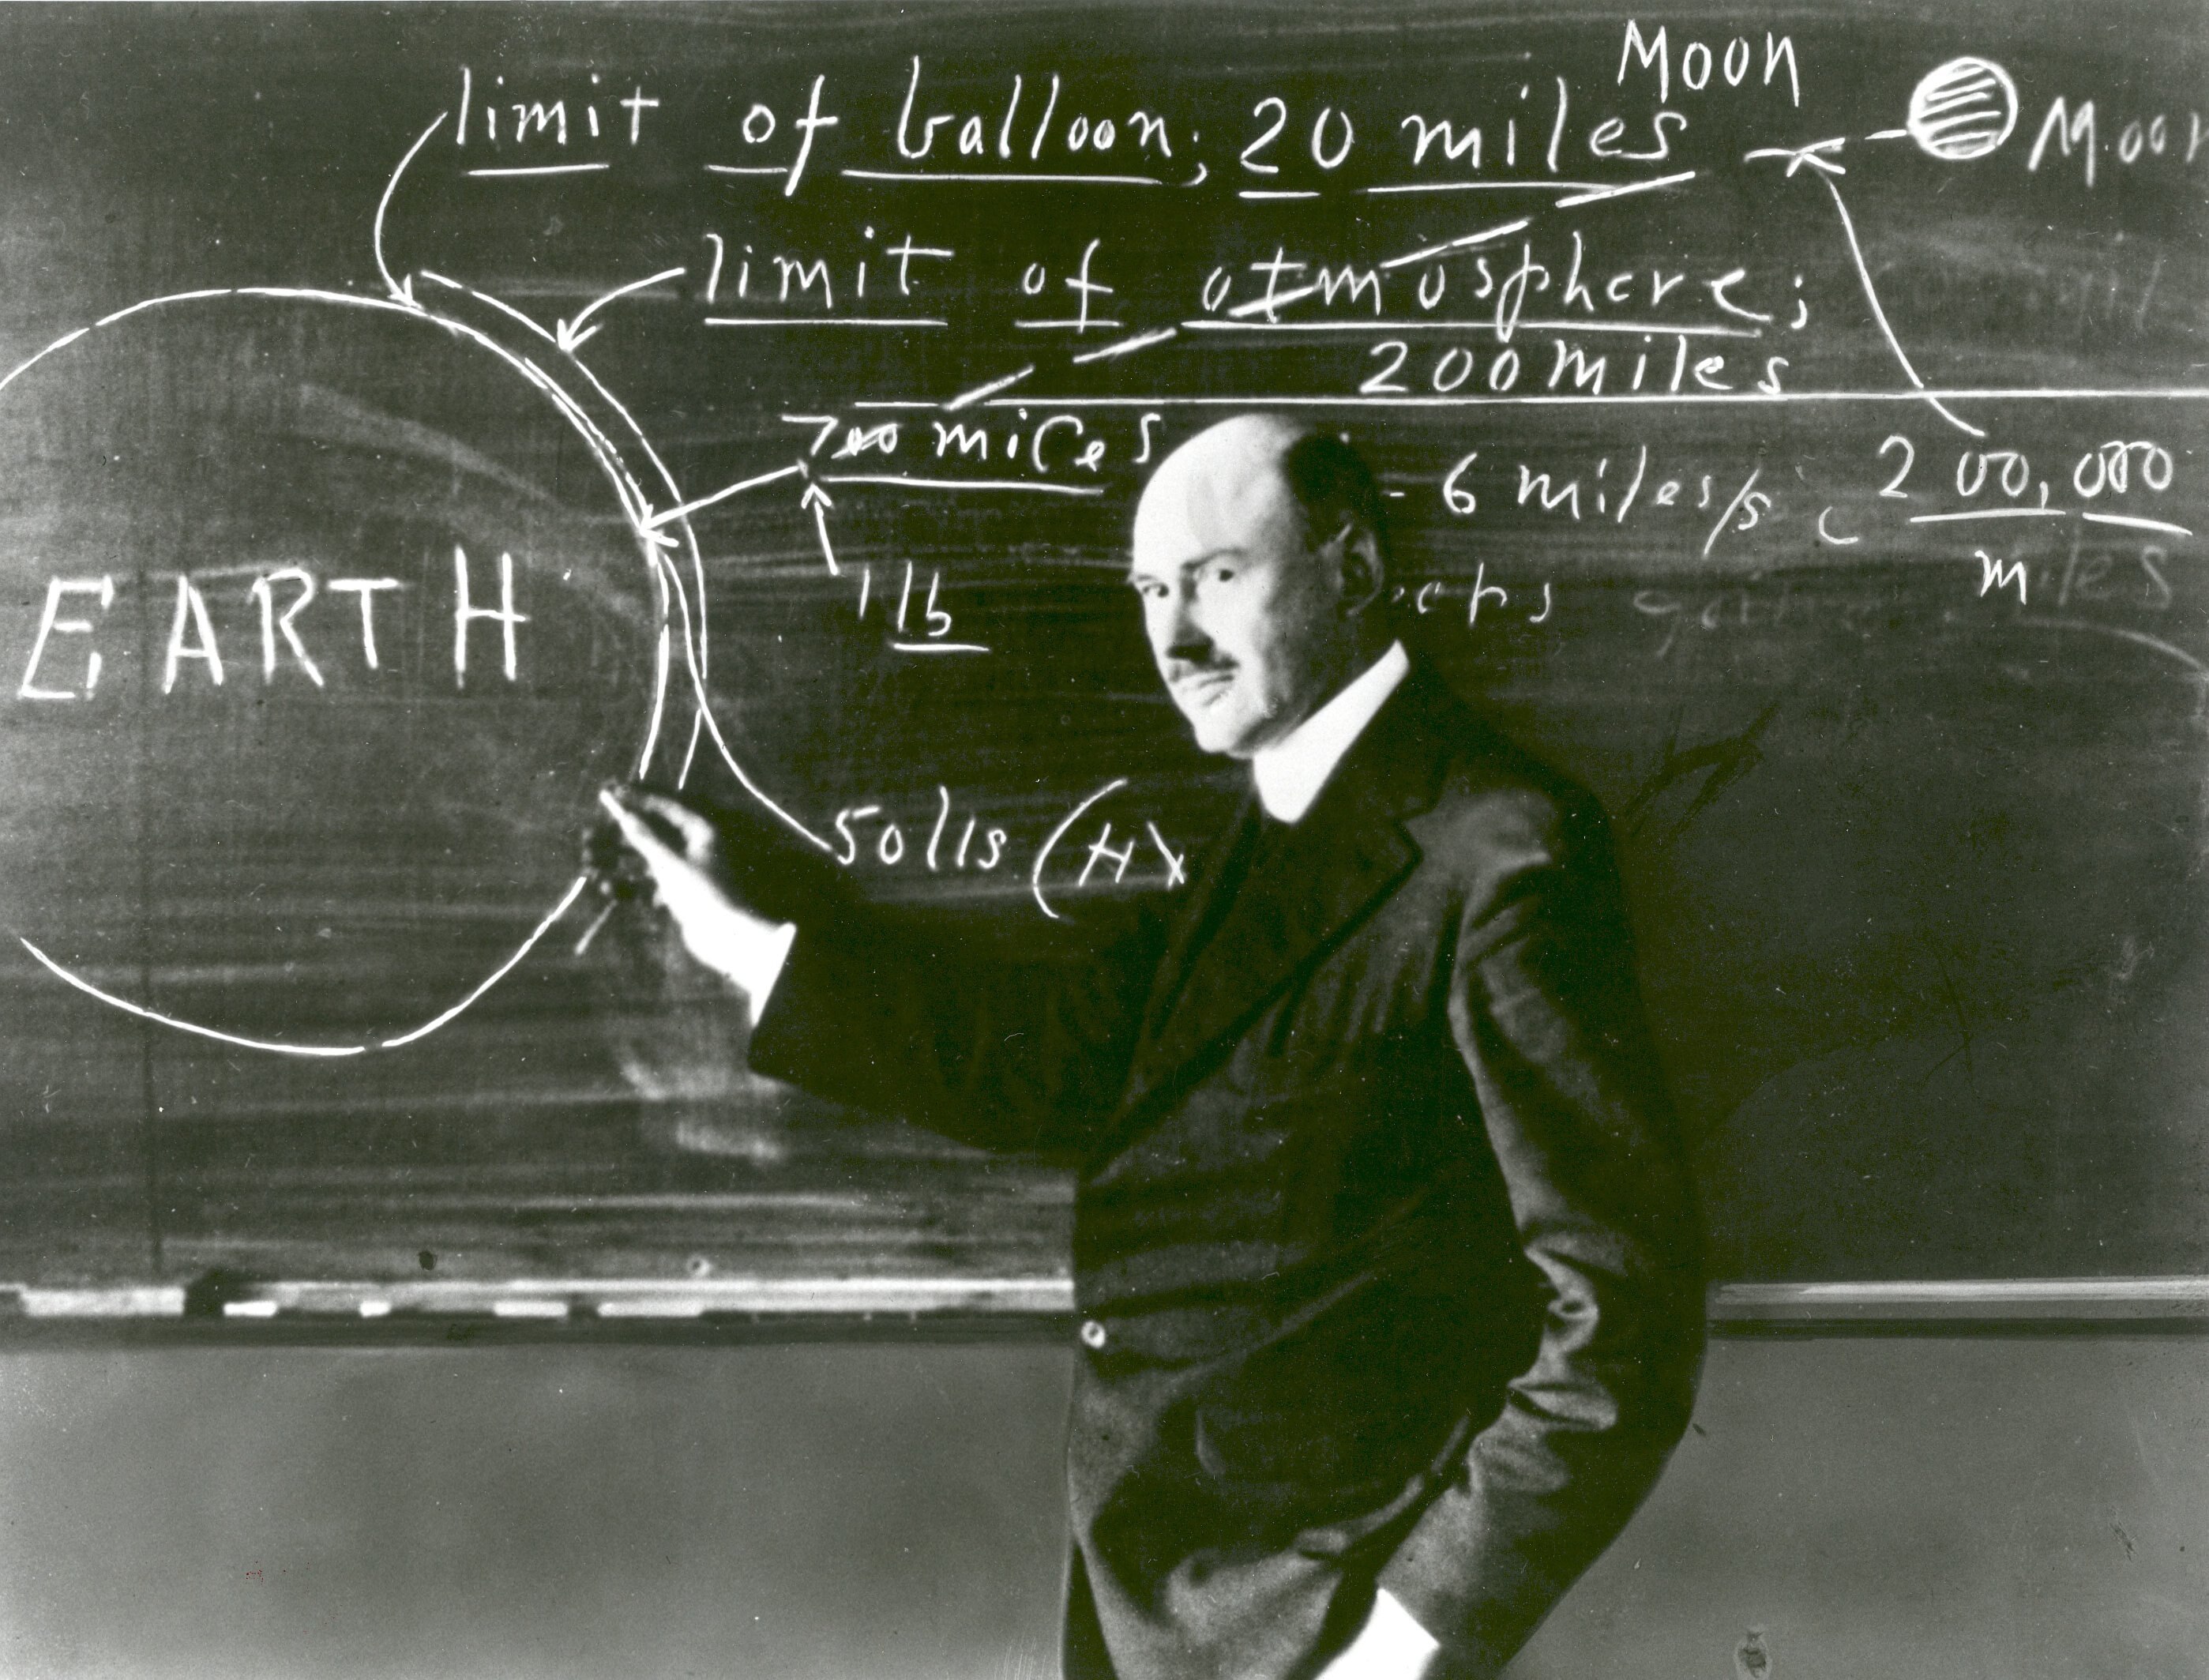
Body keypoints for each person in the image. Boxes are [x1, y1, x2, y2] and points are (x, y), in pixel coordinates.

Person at [602, 414, 1704, 1680]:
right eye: (1149, 591)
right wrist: (748, 944)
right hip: (1175, 1606)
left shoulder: (1498, 850)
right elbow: (1058, 1069)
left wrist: (1404, 1645)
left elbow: (1622, 1314)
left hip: (1315, 1616)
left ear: (1351, 570)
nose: (1174, 637)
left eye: (1218, 576)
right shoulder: (1272, 823)